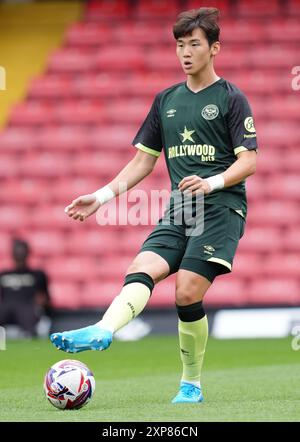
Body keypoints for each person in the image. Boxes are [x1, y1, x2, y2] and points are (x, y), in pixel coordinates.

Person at [50, 8, 257, 403]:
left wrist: (211, 181)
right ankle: (104, 330)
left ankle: (191, 383)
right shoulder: (166, 100)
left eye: (194, 44)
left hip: (221, 208)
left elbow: (249, 160)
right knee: (140, 267)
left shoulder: (232, 98)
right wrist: (103, 196)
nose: (185, 52)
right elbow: (144, 161)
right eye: (180, 44)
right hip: (181, 208)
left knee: (186, 291)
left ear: (214, 49)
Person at [0, 239, 51, 337]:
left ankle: (31, 335)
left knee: (28, 314)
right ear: (12, 254)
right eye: (17, 252)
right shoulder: (3, 275)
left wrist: (41, 302)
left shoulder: (37, 275)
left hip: (27, 306)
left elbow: (46, 298)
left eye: (22, 252)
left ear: (27, 253)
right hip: (7, 306)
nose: (19, 254)